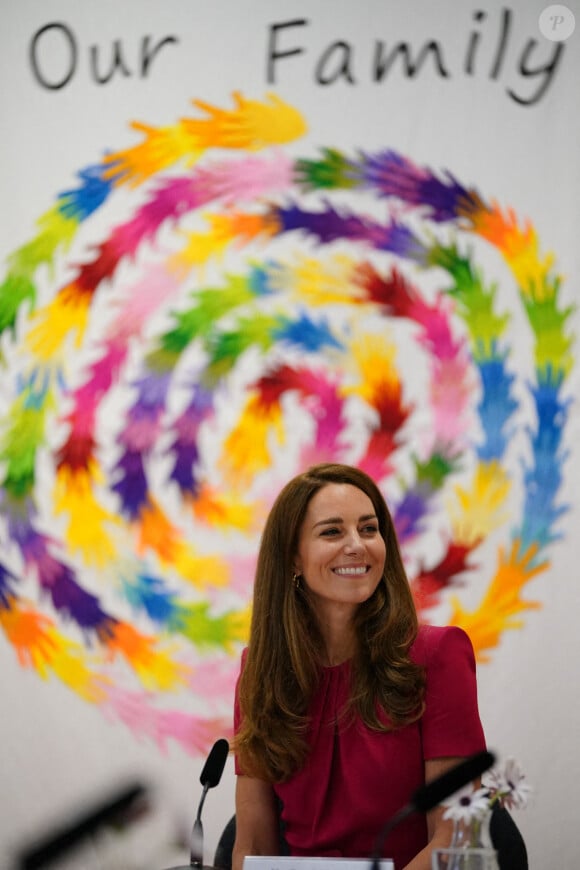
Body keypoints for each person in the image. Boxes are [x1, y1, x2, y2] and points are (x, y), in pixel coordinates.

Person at [232, 463, 486, 870]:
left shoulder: (438, 655)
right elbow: (253, 845)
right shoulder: (260, 669)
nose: (357, 545)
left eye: (369, 529)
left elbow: (453, 837)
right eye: (332, 531)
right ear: (292, 558)